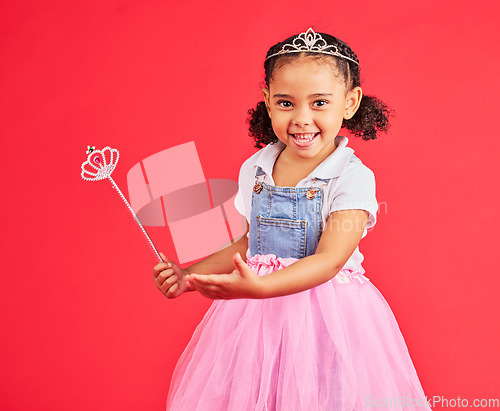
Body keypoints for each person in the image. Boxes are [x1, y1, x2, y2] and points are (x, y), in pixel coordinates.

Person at [153, 28, 431, 410]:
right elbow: (251, 244)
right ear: (267, 102)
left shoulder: (350, 177)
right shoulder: (257, 167)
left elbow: (329, 260)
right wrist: (191, 276)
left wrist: (261, 289)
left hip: (328, 319)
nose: (302, 119)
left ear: (349, 102)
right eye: (286, 102)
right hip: (259, 321)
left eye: (319, 103)